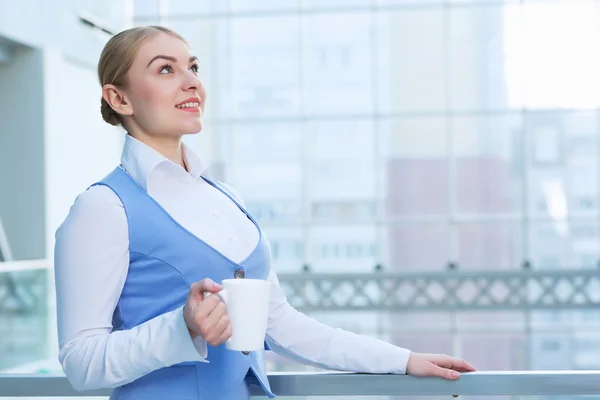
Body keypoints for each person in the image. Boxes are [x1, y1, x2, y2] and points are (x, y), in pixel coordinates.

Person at [54, 25, 476, 400]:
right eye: (166, 69)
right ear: (119, 97)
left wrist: (402, 360)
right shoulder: (102, 208)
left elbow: (282, 324)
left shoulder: (226, 198)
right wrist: (180, 328)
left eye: (194, 67)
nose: (191, 83)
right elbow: (81, 361)